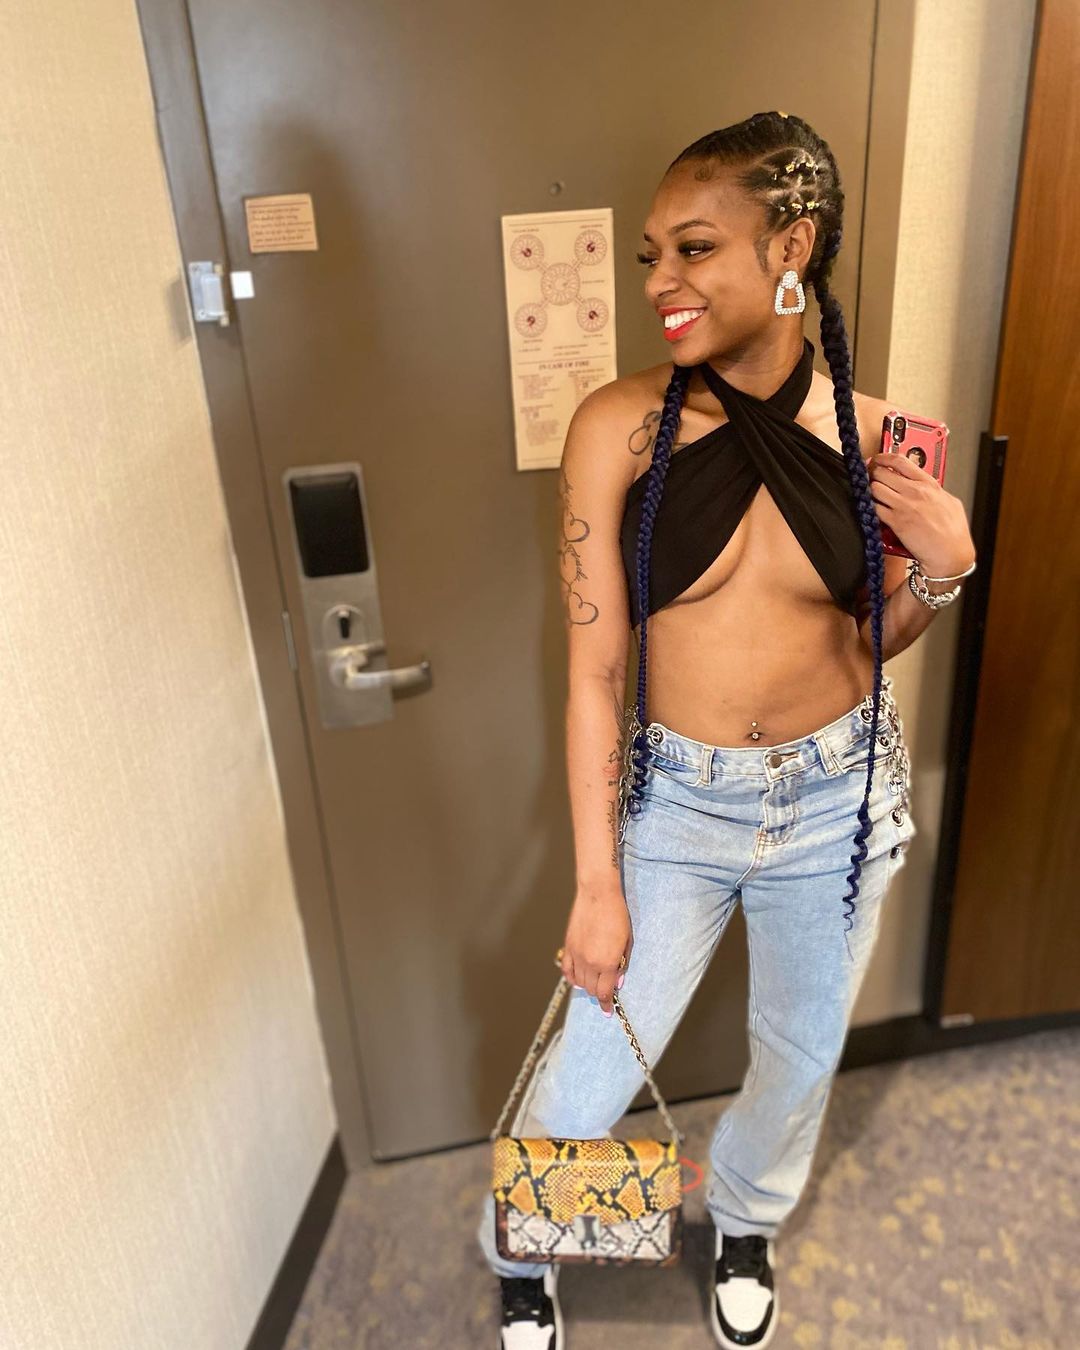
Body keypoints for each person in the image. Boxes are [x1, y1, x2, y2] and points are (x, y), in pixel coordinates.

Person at [478, 110, 977, 1350]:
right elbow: (596, 672)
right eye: (654, 255)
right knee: (592, 1069)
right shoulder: (617, 427)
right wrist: (598, 884)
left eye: (694, 249)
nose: (662, 281)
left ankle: (747, 1221)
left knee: (799, 1056)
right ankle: (528, 1249)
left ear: (790, 246)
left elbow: (868, 643)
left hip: (838, 800)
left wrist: (945, 571)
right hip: (677, 805)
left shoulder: (880, 440)